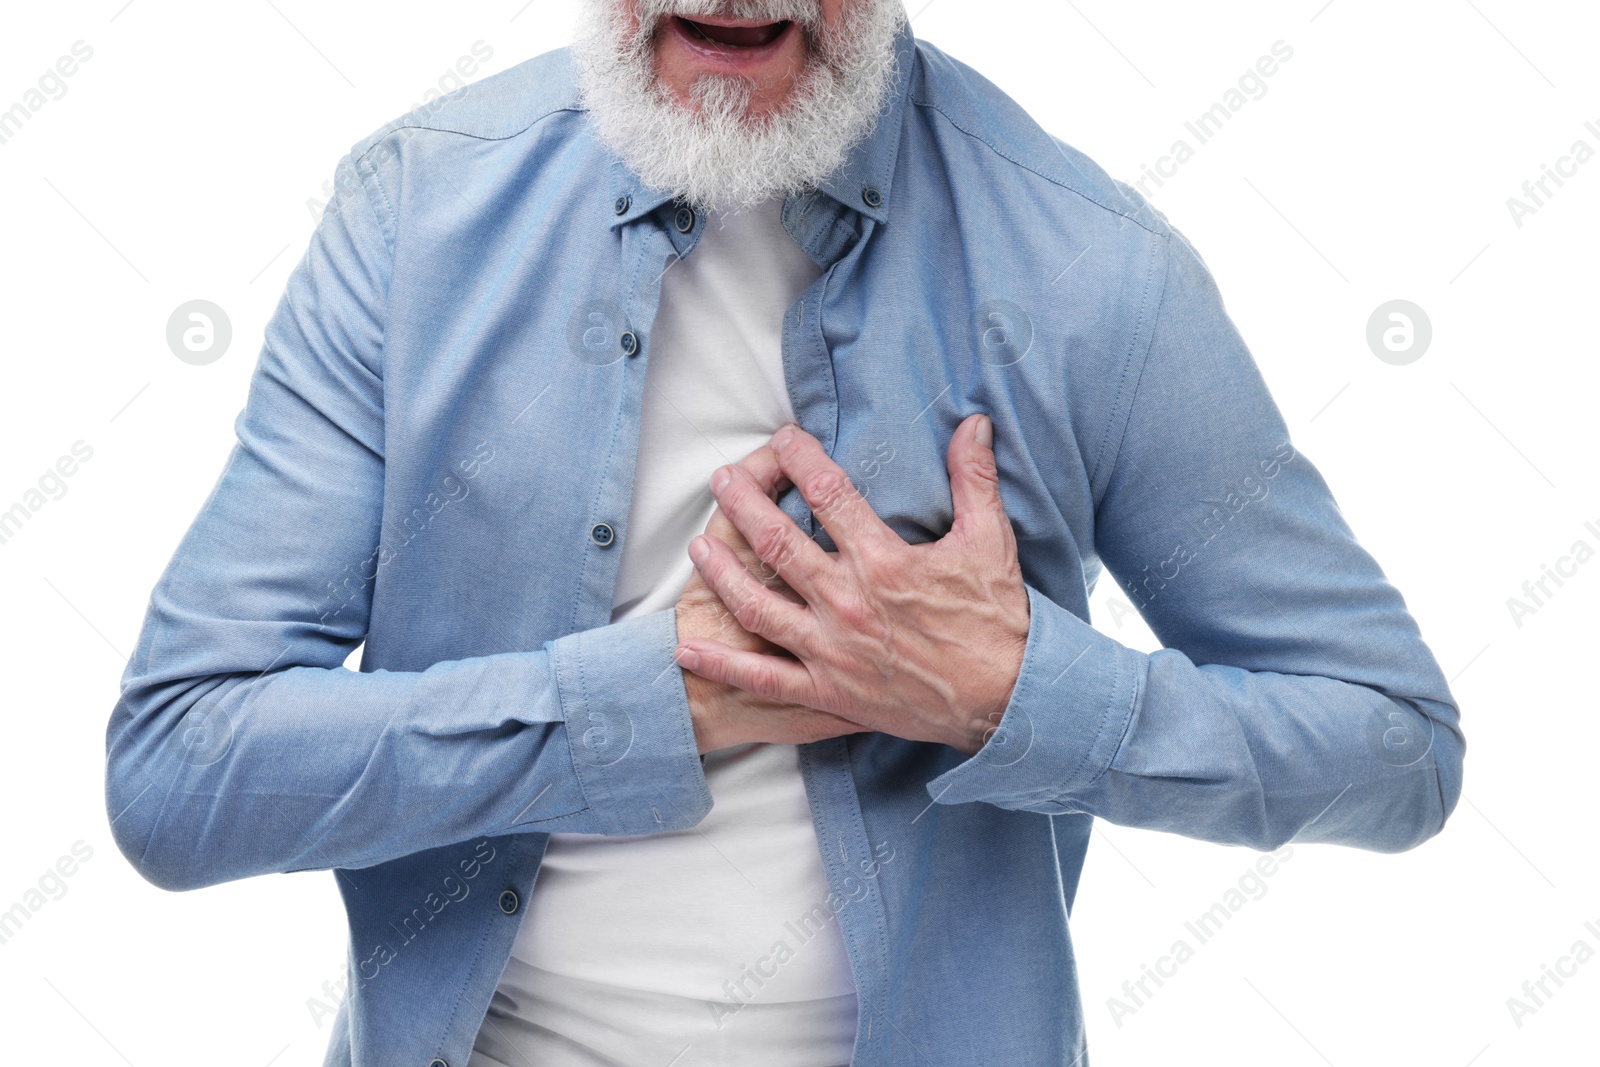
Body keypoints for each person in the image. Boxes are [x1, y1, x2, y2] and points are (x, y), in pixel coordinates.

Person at [105, 2, 1466, 1065]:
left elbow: (1396, 747)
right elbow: (179, 773)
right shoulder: (410, 222)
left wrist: (1012, 692)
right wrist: (663, 699)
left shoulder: (1095, 272)